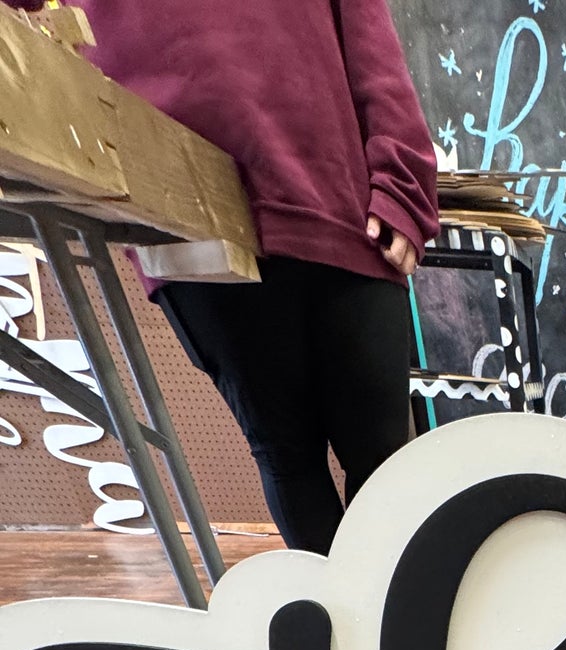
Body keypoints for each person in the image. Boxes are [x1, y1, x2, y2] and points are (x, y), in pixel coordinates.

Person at [5, 0, 439, 552]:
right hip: (181, 206)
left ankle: (395, 609)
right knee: (288, 454)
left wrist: (401, 174)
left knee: (383, 457)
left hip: (332, 190)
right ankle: (338, 609)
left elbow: (367, 27)